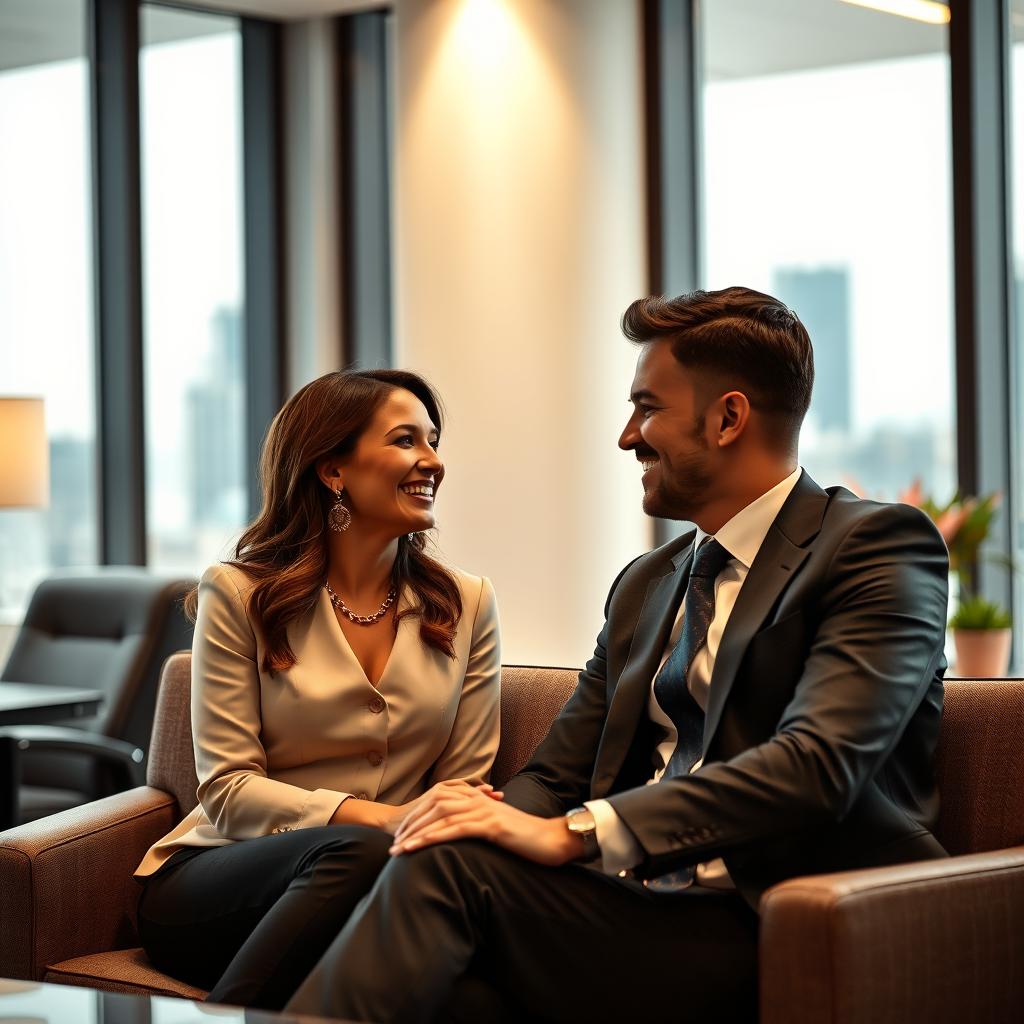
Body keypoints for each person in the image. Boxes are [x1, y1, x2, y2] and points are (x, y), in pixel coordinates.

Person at [285, 288, 950, 1024]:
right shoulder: (647, 585)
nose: (627, 436)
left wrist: (572, 832)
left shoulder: (877, 546)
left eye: (648, 407)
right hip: (638, 907)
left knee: (446, 889)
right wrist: (475, 813)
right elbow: (557, 771)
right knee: (449, 948)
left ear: (729, 418)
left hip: (786, 913)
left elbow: (818, 764)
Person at [133, 368, 501, 1011]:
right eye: (405, 440)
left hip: (381, 885)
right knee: (358, 849)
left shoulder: (467, 602)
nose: (433, 461)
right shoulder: (240, 592)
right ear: (333, 470)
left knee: (471, 994)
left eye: (434, 440)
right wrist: (378, 819)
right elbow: (227, 790)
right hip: (220, 882)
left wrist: (405, 835)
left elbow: (462, 787)